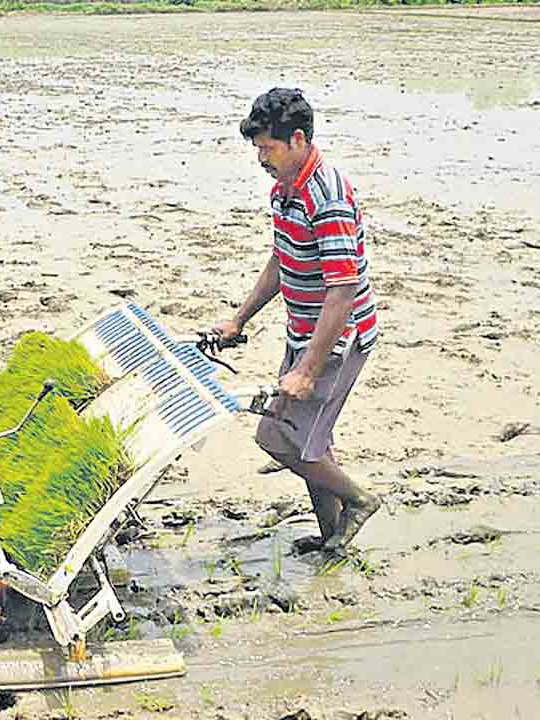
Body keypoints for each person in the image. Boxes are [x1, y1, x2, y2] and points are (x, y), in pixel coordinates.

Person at [213, 88, 381, 554]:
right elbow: (281, 259)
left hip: (338, 339)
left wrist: (308, 368)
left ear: (299, 140)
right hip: (303, 330)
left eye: (267, 148)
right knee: (310, 442)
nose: (261, 158)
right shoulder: (285, 191)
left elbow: (343, 289)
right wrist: (239, 319)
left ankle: (360, 501)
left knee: (281, 438)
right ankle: (333, 539)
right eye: (257, 149)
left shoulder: (325, 196)